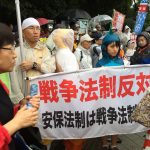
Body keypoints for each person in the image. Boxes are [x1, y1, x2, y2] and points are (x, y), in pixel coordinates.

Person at [0, 22, 40, 150]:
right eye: (10, 49)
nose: (15, 55)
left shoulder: (1, 86)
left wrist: (22, 109)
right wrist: (17, 123)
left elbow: (5, 117)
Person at [10, 17, 56, 105]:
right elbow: (13, 79)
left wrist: (34, 65)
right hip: (25, 97)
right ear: (23, 32)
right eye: (31, 28)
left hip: (43, 97)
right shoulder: (16, 52)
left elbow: (51, 69)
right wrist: (20, 99)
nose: (35, 31)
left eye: (38, 28)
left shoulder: (45, 50)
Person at [96, 32, 124, 150]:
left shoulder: (121, 62)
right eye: (112, 46)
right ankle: (104, 143)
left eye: (117, 46)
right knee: (103, 120)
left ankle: (113, 144)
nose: (115, 49)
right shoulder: (100, 63)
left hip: (117, 98)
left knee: (115, 121)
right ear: (105, 47)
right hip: (103, 98)